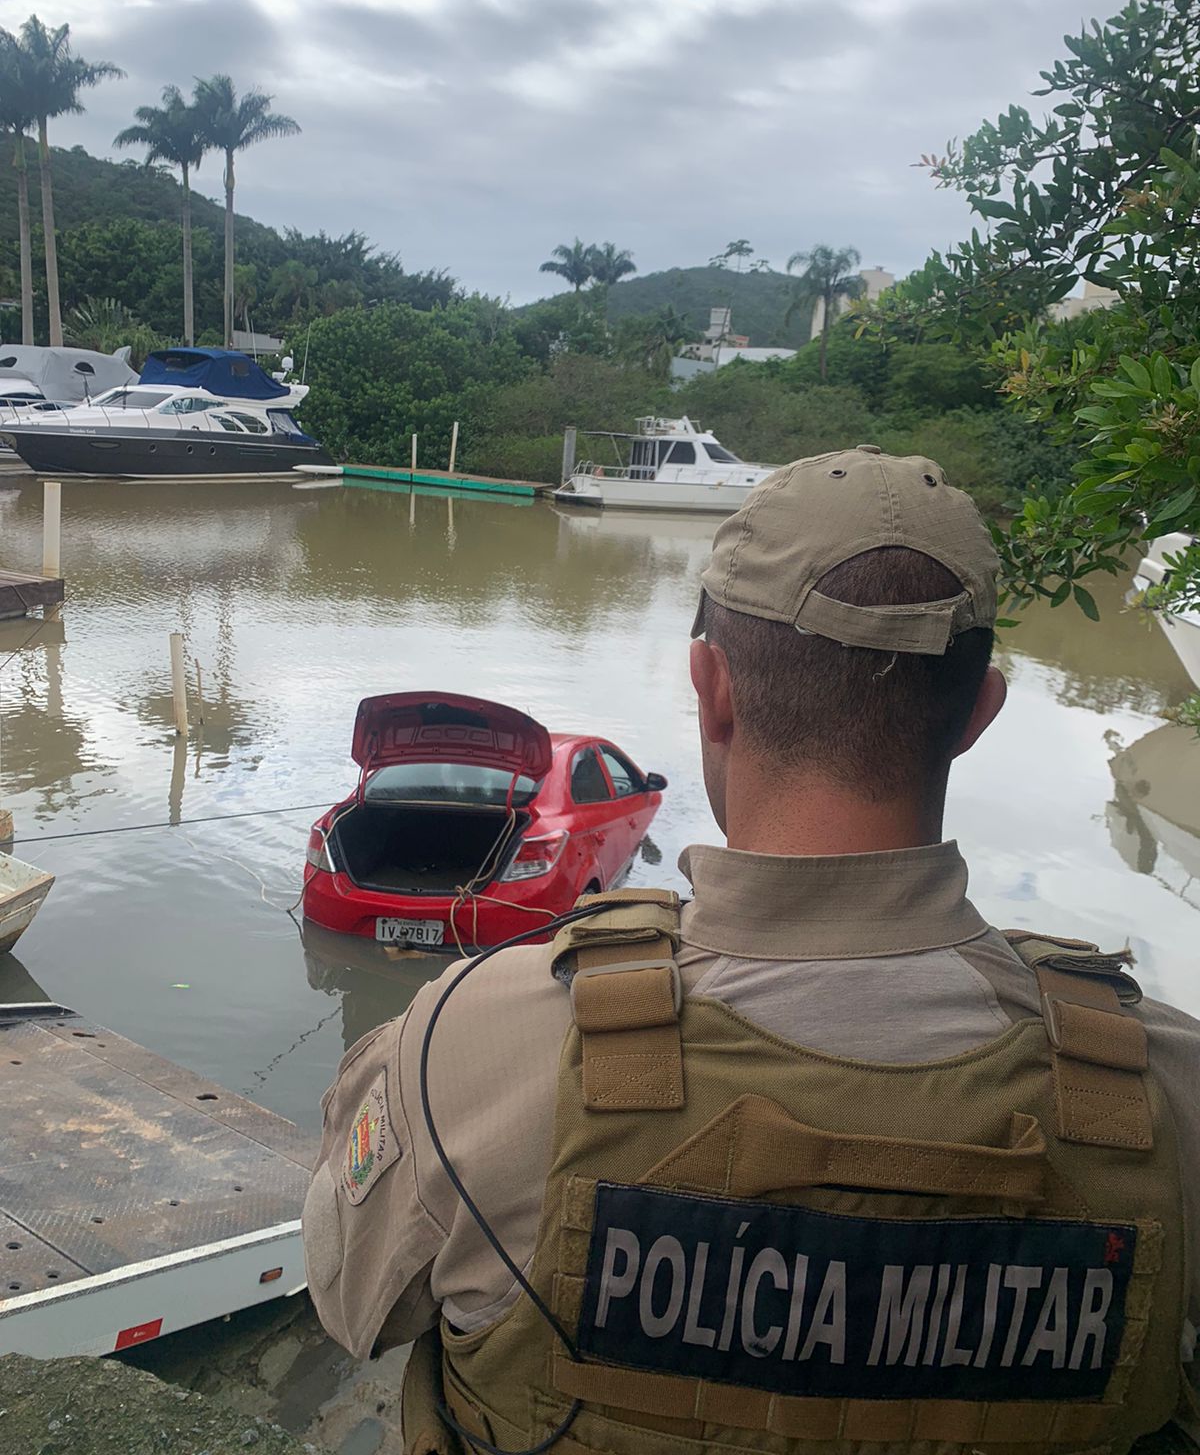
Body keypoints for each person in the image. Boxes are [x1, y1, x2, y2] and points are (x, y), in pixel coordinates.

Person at [304, 446, 1199, 1455]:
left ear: (710, 686)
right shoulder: (1170, 1092)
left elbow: (350, 1303)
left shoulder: (472, 1046)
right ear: (978, 715)